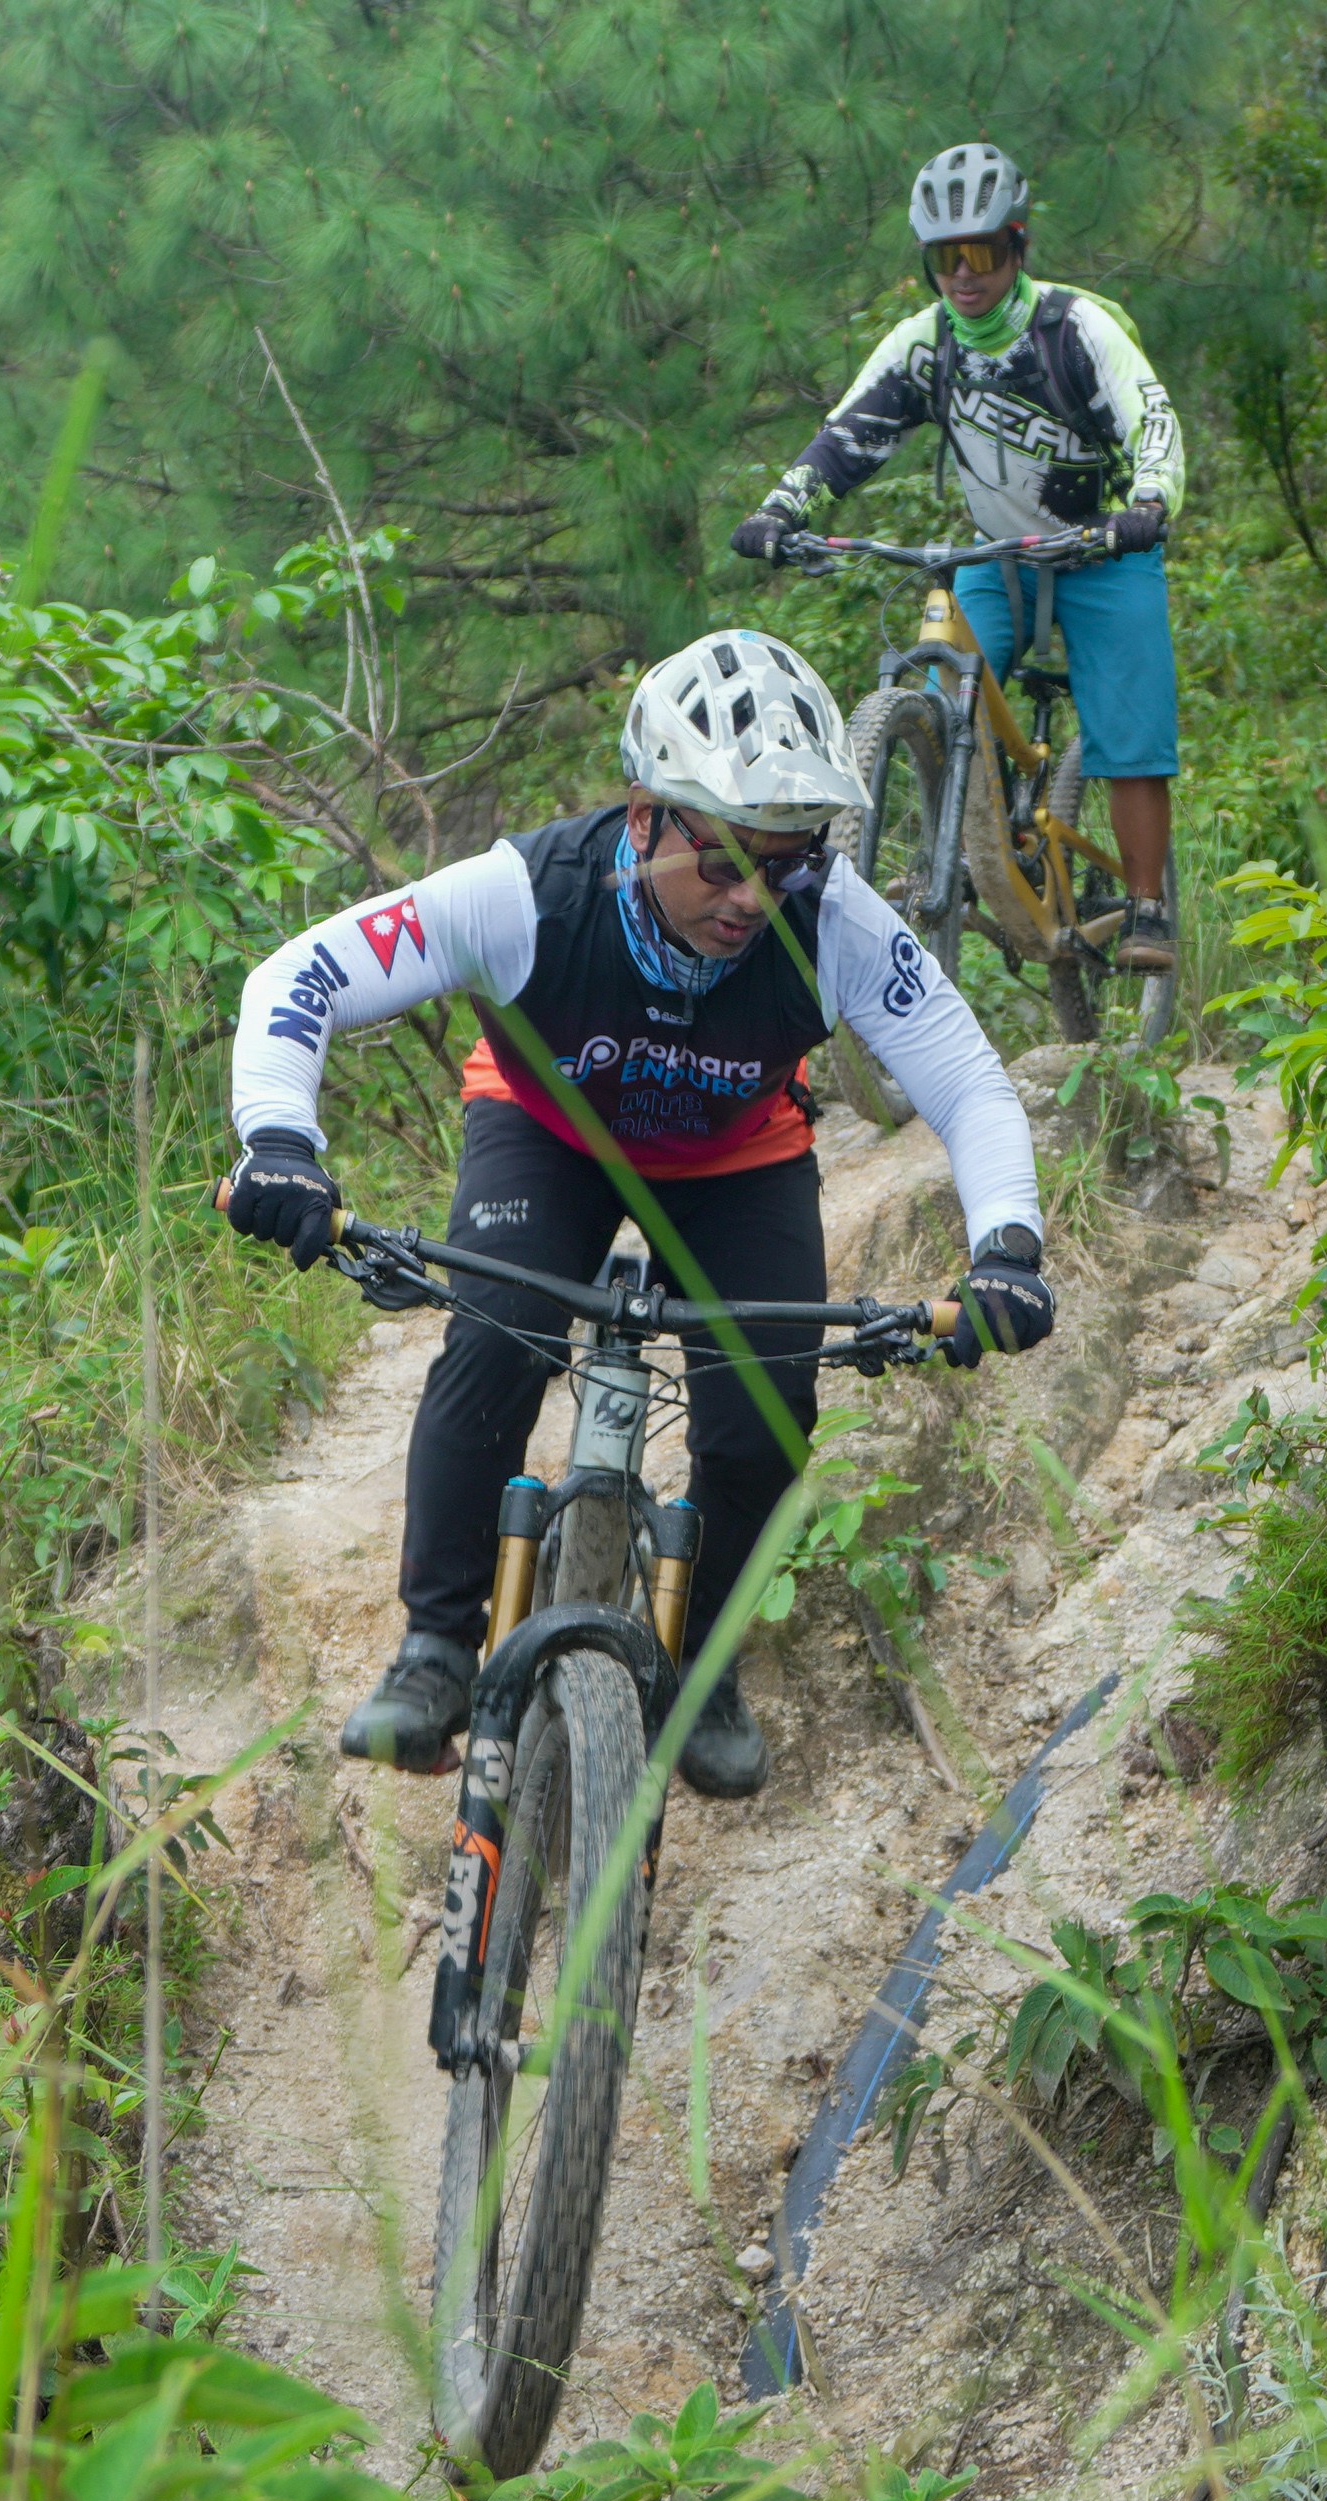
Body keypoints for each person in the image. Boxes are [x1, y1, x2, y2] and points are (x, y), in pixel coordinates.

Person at [220, 628, 1057, 1799]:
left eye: (784, 864)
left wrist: (1005, 1247)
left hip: (734, 1154)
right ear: (643, 814)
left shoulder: (838, 918)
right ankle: (435, 1649)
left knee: (765, 1410)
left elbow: (968, 1082)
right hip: (547, 1128)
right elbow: (296, 977)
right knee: (498, 1331)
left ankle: (700, 1660)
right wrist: (279, 1146)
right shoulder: (527, 892)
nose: (748, 899)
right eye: (720, 863)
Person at [728, 140, 1190, 976]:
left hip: (1100, 550)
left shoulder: (1075, 329)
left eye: (981, 252)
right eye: (945, 257)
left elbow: (1149, 418)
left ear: (1018, 246)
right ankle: (954, 849)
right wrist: (780, 509)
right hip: (1000, 555)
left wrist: (1149, 506)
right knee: (942, 704)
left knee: (1131, 735)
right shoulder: (926, 343)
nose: (963, 274)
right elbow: (846, 439)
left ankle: (1149, 903)